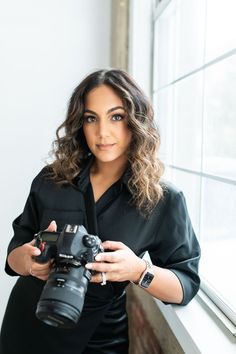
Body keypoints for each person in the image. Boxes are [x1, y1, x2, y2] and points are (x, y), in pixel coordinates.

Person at [0, 68, 200, 354]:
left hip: (101, 337)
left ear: (136, 121)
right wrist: (30, 261)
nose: (102, 132)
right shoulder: (50, 180)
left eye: (116, 116)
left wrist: (137, 270)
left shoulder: (162, 199)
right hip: (28, 324)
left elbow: (185, 285)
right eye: (91, 118)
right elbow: (15, 253)